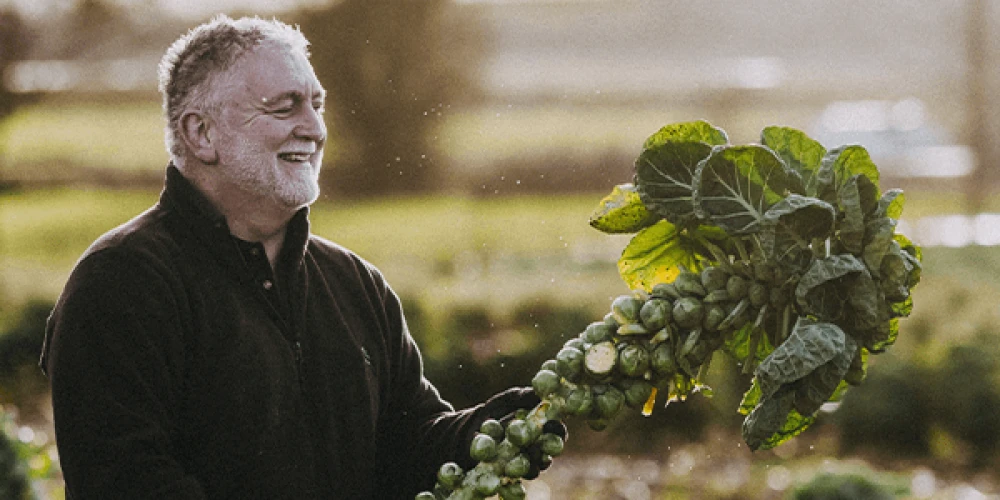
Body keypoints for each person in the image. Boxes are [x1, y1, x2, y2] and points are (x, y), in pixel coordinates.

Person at [41, 15, 559, 499]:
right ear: (201, 134)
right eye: (284, 107)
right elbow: (127, 482)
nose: (314, 128)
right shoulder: (122, 282)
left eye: (316, 104)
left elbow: (407, 445)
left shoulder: (356, 283)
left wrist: (479, 434)